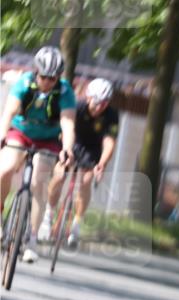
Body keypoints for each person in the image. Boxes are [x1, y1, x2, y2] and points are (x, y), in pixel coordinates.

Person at [0, 46, 76, 262]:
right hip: (20, 132)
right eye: (44, 77)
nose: (47, 82)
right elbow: (9, 111)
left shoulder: (64, 91)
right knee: (4, 169)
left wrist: (68, 148)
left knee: (38, 183)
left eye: (53, 78)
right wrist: (2, 135)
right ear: (36, 72)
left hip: (48, 139)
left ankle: (31, 237)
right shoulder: (24, 83)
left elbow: (68, 122)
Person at [39, 78, 119, 249]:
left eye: (105, 104)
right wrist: (67, 151)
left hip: (93, 149)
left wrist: (102, 164)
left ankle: (76, 224)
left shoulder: (111, 115)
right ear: (89, 97)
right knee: (60, 175)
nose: (100, 107)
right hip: (73, 142)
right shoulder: (78, 106)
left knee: (86, 181)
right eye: (97, 102)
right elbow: (67, 128)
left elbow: (109, 142)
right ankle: (48, 214)